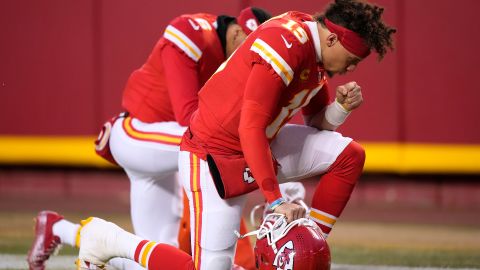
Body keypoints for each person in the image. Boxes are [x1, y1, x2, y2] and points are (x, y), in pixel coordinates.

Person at [27, 7, 271, 270]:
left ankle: (60, 229)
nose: (253, 60)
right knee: (221, 147)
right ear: (236, 32)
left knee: (152, 263)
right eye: (251, 48)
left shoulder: (234, 58)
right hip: (137, 134)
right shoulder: (194, 33)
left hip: (163, 152)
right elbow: (189, 117)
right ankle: (226, 259)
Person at [177, 0, 395, 269]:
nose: (351, 69)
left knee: (348, 156)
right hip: (213, 156)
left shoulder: (313, 49)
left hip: (259, 145)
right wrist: (276, 199)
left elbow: (315, 122)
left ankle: (306, 243)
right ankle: (121, 246)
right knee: (212, 267)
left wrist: (341, 109)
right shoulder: (286, 43)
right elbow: (250, 127)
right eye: (351, 61)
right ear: (332, 39)